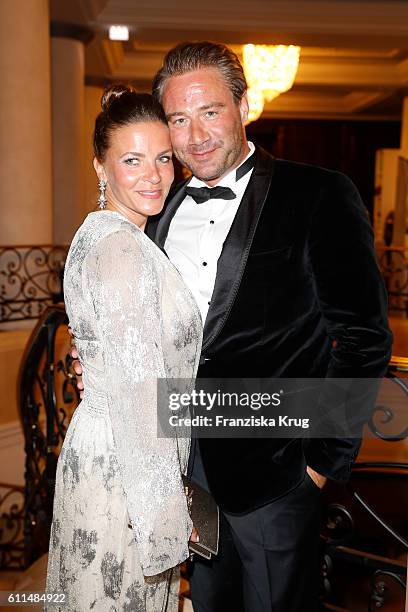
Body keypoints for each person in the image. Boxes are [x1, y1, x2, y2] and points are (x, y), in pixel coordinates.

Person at [73, 43, 392, 611]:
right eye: (178, 118)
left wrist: (322, 463)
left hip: (278, 473)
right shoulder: (156, 205)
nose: (194, 136)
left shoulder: (318, 194)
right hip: (180, 468)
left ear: (245, 105)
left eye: (210, 111)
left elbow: (364, 338)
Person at [46, 85, 202, 611]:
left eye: (162, 158)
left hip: (113, 456)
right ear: (100, 167)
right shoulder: (119, 247)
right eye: (132, 160)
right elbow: (141, 399)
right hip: (126, 475)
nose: (153, 176)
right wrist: (165, 523)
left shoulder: (108, 234)